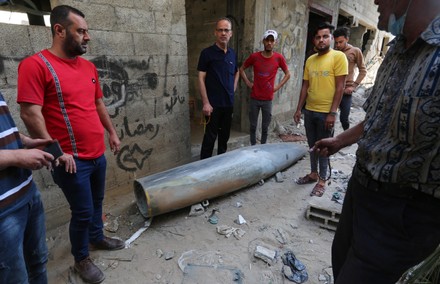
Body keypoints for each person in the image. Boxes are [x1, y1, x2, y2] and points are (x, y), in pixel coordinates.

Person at [313, 0, 440, 282]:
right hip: (360, 190)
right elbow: (377, 118)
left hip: (405, 213)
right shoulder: (396, 50)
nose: (374, 2)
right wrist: (340, 142)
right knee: (341, 260)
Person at [17, 5, 124, 284]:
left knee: (98, 203)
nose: (87, 37)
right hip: (70, 160)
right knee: (83, 211)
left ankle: (97, 238)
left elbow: (98, 102)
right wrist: (56, 153)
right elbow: (29, 112)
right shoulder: (36, 65)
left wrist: (111, 133)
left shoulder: (88, 67)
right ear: (59, 30)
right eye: (81, 31)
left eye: (87, 31)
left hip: (97, 153)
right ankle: (81, 258)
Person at [0, 91, 54, 283]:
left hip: (28, 193)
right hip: (4, 212)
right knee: (16, 278)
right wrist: (17, 156)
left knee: (38, 263)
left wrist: (23, 140)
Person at [293, 22, 348, 197]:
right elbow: (305, 86)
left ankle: (322, 180)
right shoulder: (310, 60)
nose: (321, 40)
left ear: (331, 38)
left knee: (324, 148)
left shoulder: (338, 57)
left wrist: (332, 112)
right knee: (312, 145)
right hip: (309, 111)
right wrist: (299, 109)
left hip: (326, 113)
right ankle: (313, 173)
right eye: (318, 37)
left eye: (325, 36)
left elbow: (340, 87)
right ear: (314, 40)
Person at [197, 17, 239, 159]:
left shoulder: (232, 53)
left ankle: (221, 164)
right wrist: (205, 103)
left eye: (226, 30)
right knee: (209, 138)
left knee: (224, 137)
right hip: (212, 105)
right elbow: (201, 78)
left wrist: (233, 89)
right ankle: (203, 167)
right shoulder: (207, 53)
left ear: (231, 33)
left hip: (228, 104)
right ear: (215, 32)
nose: (223, 33)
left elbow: (237, 71)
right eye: (220, 30)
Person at [239, 29, 291, 145]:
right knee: (252, 126)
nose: (269, 43)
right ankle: (253, 146)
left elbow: (288, 74)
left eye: (272, 41)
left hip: (268, 99)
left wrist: (277, 87)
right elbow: (241, 69)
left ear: (275, 43)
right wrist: (248, 83)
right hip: (255, 98)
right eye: (267, 40)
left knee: (265, 127)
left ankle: (263, 147)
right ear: (263, 41)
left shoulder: (278, 58)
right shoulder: (255, 57)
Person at [333, 26, 367, 130]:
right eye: (336, 42)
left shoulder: (355, 51)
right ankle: (329, 139)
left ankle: (345, 135)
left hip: (346, 91)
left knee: (344, 118)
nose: (338, 45)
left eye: (341, 42)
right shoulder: (333, 52)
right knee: (330, 117)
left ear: (347, 39)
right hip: (333, 90)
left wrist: (354, 86)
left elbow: (363, 71)